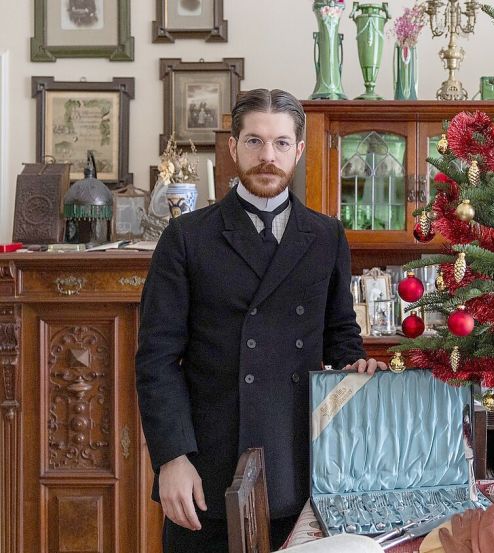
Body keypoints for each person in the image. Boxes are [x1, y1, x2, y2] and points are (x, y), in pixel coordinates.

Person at [136, 88, 386, 553]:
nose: (267, 156)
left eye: (280, 143)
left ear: (299, 150)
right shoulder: (187, 237)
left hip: (301, 462)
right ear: (232, 148)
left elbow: (340, 333)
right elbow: (156, 360)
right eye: (253, 141)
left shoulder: (326, 234)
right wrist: (171, 457)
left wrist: (355, 364)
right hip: (209, 465)